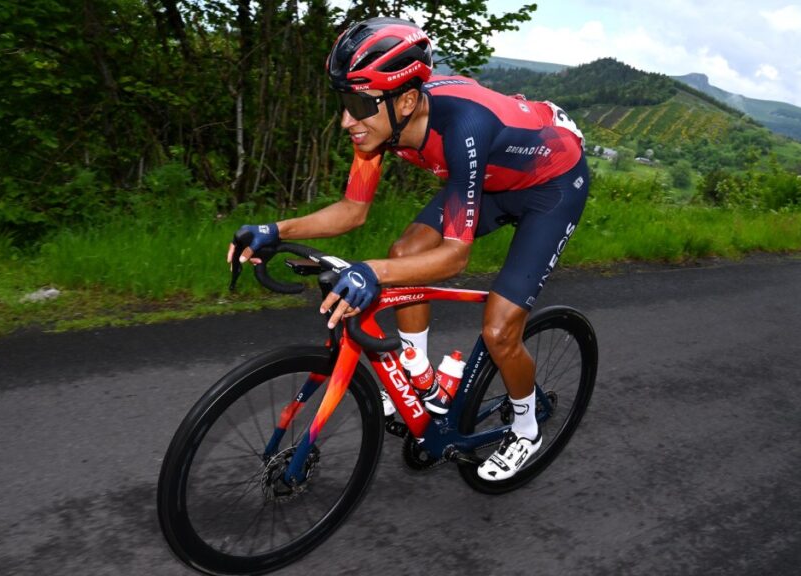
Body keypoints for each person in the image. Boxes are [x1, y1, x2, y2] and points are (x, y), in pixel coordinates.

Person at [227, 17, 589, 481]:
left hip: (552, 186)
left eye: (358, 105)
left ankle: (526, 426)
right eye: (344, 102)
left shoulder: (462, 127)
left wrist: (369, 273)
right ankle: (421, 375)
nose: (346, 121)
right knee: (404, 253)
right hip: (491, 181)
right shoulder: (380, 123)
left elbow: (456, 257)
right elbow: (352, 210)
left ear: (408, 99)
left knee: (500, 328)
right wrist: (274, 228)